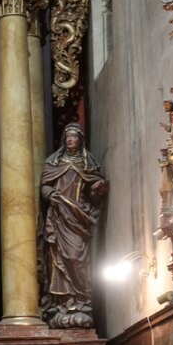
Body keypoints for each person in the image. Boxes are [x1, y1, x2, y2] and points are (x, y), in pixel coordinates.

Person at [37, 123, 108, 328]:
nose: (70, 139)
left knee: (77, 257)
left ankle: (82, 300)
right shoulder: (54, 163)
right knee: (59, 257)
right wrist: (50, 194)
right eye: (67, 136)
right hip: (59, 215)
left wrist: (97, 189)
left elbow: (94, 190)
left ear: (80, 140)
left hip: (78, 217)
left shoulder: (88, 163)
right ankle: (62, 302)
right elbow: (45, 185)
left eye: (74, 136)